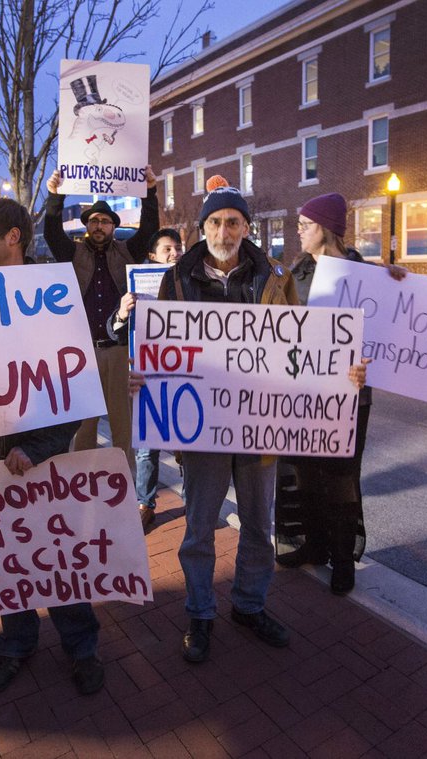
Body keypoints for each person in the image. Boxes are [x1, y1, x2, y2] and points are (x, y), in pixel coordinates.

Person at [147, 176, 369, 663]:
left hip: (260, 426)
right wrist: (144, 376)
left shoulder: (272, 276)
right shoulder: (177, 278)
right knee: (199, 527)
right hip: (202, 428)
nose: (224, 231)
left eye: (233, 222)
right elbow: (159, 350)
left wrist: (342, 370)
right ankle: (200, 612)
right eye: (216, 222)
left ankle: (249, 605)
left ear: (246, 227)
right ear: (202, 227)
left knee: (257, 525)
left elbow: (301, 346)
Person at [0, 198, 105, 696]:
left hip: (40, 457)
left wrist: (40, 447)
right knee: (4, 553)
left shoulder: (52, 293)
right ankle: (16, 643)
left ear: (12, 236)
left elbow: (73, 384)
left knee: (57, 553)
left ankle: (81, 646)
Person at [275, 192, 406, 595]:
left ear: (326, 228)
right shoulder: (291, 275)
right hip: (302, 392)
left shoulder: (363, 275)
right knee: (305, 473)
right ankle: (314, 545)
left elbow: (386, 335)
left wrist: (396, 284)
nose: (298, 230)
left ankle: (343, 558)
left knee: (341, 477)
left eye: (305, 224)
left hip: (349, 393)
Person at [42, 166, 159, 472]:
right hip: (82, 352)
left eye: (105, 221)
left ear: (113, 226)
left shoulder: (127, 251)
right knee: (83, 428)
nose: (99, 225)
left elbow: (149, 229)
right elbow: (51, 233)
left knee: (122, 425)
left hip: (119, 349)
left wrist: (150, 192)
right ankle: (83, 486)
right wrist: (55, 197)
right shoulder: (73, 253)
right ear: (86, 225)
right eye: (94, 220)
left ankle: (123, 488)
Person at [106, 228, 184, 528]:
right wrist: (123, 313)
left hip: (183, 372)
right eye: (167, 248)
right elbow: (113, 329)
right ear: (152, 256)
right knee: (146, 449)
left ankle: (192, 499)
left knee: (186, 442)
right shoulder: (137, 286)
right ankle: (145, 503)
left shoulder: (192, 283)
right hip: (147, 375)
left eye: (178, 247)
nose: (175, 252)